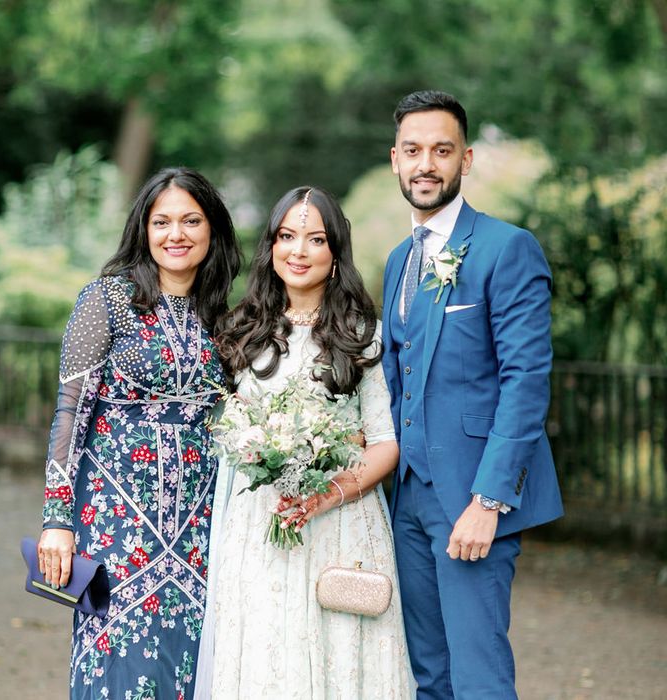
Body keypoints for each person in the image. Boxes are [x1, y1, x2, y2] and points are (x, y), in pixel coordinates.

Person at [382, 89, 564, 699]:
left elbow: (526, 382)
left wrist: (488, 502)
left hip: (471, 501)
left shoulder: (506, 249)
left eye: (441, 150)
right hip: (408, 501)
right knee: (428, 677)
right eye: (413, 150)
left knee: (479, 678)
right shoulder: (396, 262)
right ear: (395, 160)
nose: (425, 164)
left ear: (466, 159)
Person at [38, 166, 241, 700]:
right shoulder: (106, 301)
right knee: (116, 667)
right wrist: (57, 519)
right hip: (114, 523)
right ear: (143, 230)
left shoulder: (223, 316)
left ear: (212, 230)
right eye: (162, 221)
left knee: (189, 668)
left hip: (199, 527)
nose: (176, 234)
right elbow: (69, 412)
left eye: (191, 221)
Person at [204, 186, 414, 699]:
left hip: (340, 523)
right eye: (287, 236)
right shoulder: (240, 332)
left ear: (336, 255)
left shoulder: (363, 336)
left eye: (315, 240)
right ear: (271, 247)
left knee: (338, 659)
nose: (298, 251)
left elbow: (385, 443)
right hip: (259, 524)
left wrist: (325, 495)